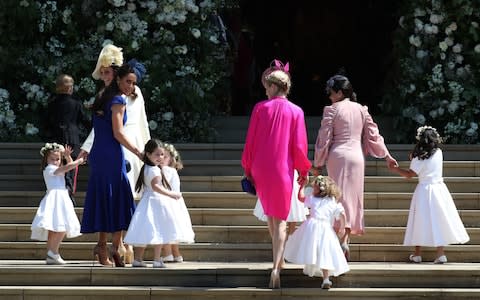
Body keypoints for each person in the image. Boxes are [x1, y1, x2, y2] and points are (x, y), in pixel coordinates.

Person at [241, 59, 311, 289]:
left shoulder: (260, 108)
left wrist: (247, 168)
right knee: (280, 221)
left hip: (262, 168)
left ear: (274, 87)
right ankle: (276, 267)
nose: (266, 90)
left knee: (272, 218)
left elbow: (250, 142)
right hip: (283, 169)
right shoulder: (296, 111)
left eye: (267, 87)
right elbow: (299, 147)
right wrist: (303, 169)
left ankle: (277, 262)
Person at [313, 74, 398, 260]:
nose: (329, 96)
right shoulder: (361, 109)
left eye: (331, 92)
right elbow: (374, 134)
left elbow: (324, 137)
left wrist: (318, 162)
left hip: (338, 156)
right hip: (357, 157)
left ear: (340, 92)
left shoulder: (331, 110)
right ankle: (345, 240)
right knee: (352, 199)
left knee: (336, 198)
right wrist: (387, 156)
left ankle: (339, 242)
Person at [80, 64, 143, 267]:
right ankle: (113, 247)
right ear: (118, 79)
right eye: (128, 81)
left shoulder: (102, 95)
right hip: (111, 154)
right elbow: (118, 133)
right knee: (119, 198)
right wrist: (139, 152)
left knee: (109, 198)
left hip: (100, 153)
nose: (131, 86)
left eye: (134, 83)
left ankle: (105, 246)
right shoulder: (117, 100)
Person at [388, 126, 469, 263]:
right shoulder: (439, 152)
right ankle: (440, 253)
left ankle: (417, 253)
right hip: (439, 189)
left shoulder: (418, 157)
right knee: (439, 219)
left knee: (419, 220)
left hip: (424, 191)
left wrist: (395, 169)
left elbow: (410, 174)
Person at [124, 139, 183, 267]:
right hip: (156, 202)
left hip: (146, 202)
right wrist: (172, 194)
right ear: (148, 154)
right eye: (157, 154)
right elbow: (156, 186)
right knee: (159, 230)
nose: (160, 157)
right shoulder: (155, 170)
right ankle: (156, 259)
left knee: (143, 230)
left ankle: (138, 259)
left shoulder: (146, 167)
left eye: (162, 154)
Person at [284, 175, 349, 289]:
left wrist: (302, 186)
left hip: (311, 227)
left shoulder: (312, 199)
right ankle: (326, 279)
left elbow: (300, 197)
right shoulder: (332, 201)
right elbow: (342, 213)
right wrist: (342, 227)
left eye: (314, 188)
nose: (312, 189)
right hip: (325, 229)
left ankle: (324, 277)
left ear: (319, 189)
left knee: (314, 250)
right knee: (324, 252)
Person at [31, 142, 84, 264]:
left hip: (61, 197)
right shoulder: (49, 169)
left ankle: (51, 254)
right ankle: (53, 252)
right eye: (52, 159)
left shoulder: (57, 168)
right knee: (61, 227)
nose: (55, 161)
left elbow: (69, 167)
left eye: (58, 159)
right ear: (46, 159)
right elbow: (66, 168)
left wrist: (67, 157)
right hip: (55, 198)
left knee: (55, 228)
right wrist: (78, 161)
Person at [46, 74, 89, 200]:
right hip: (72, 139)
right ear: (70, 88)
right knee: (71, 168)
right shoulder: (76, 103)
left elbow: (46, 123)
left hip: (56, 139)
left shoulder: (52, 103)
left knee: (57, 167)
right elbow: (85, 121)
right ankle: (70, 193)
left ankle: (59, 194)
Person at [160, 142, 195, 263]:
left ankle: (168, 253)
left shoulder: (165, 171)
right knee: (172, 230)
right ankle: (176, 254)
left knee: (166, 229)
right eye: (160, 155)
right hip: (176, 203)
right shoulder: (172, 171)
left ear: (171, 159)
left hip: (167, 202)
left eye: (165, 156)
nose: (161, 158)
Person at [253, 170, 309, 236]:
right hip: (273, 173)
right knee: (272, 209)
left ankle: (289, 237)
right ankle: (276, 239)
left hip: (288, 173)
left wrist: (304, 171)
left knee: (293, 204)